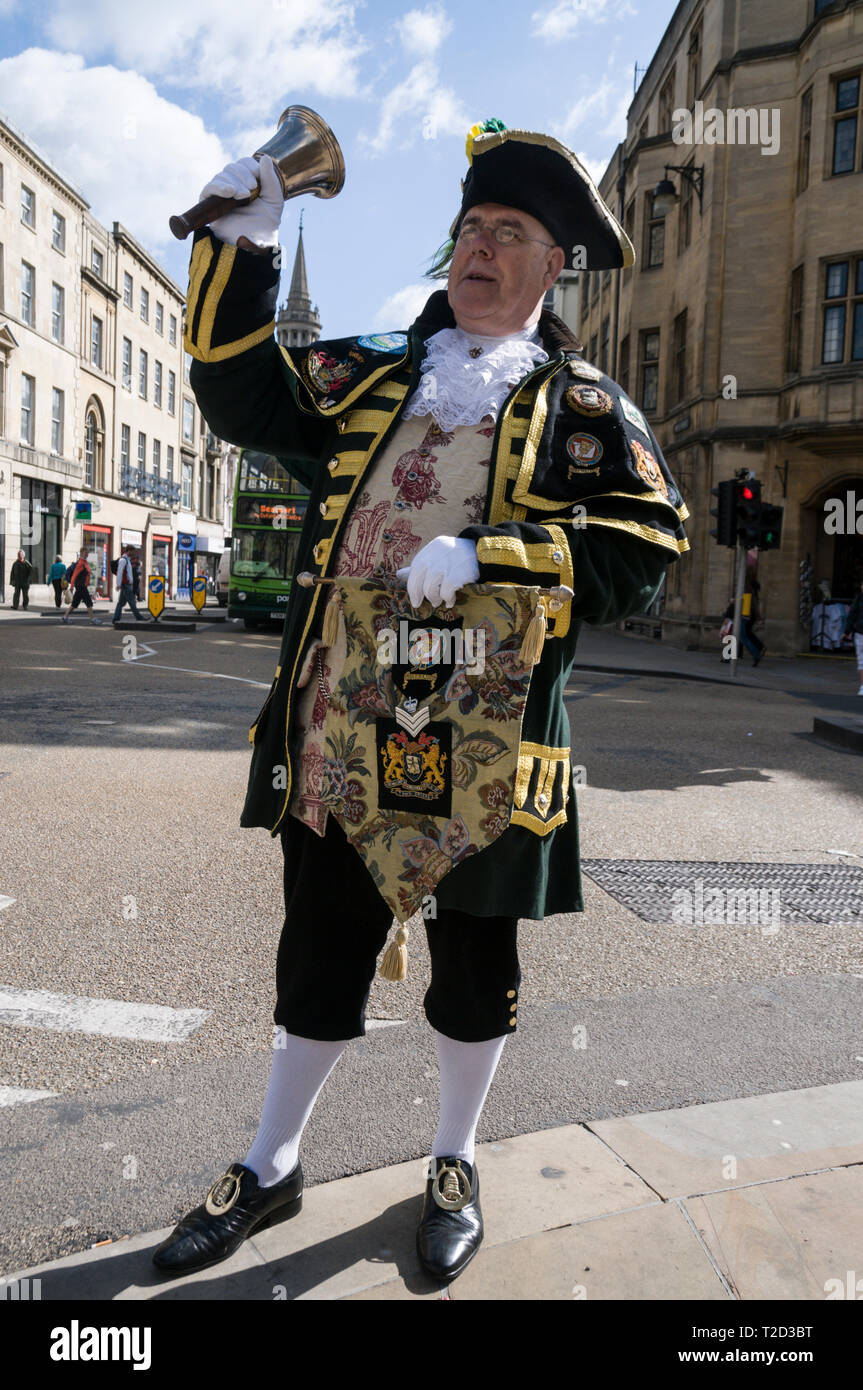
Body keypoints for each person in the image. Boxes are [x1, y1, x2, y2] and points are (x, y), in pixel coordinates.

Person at [152, 120, 688, 1286]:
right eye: (468, 230)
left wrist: (504, 549)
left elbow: (647, 543)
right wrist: (247, 240)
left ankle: (452, 1161)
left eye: (508, 235)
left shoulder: (581, 402)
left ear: (554, 269)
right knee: (318, 948)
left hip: (487, 747)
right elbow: (246, 397)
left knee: (473, 966)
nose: (479, 250)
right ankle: (272, 1158)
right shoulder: (380, 370)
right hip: (343, 723)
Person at [61, 547, 102, 626]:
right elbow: (74, 576)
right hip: (80, 586)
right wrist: (72, 587)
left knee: (74, 604)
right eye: (86, 552)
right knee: (88, 602)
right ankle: (93, 619)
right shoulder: (80, 563)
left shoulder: (84, 562)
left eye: (88, 552)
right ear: (82, 552)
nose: (88, 554)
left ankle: (65, 617)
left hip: (82, 585)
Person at [112, 547, 146, 624]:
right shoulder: (123, 560)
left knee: (120, 603)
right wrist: (118, 584)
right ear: (128, 551)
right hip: (125, 585)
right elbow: (119, 572)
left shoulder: (127, 560)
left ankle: (115, 618)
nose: (133, 553)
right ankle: (139, 617)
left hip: (126, 584)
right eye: (132, 551)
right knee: (132, 602)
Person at [842, 576, 863, 695]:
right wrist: (846, 631)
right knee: (862, 660)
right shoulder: (859, 598)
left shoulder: (859, 599)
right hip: (860, 632)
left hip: (860, 631)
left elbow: (852, 616)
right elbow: (852, 616)